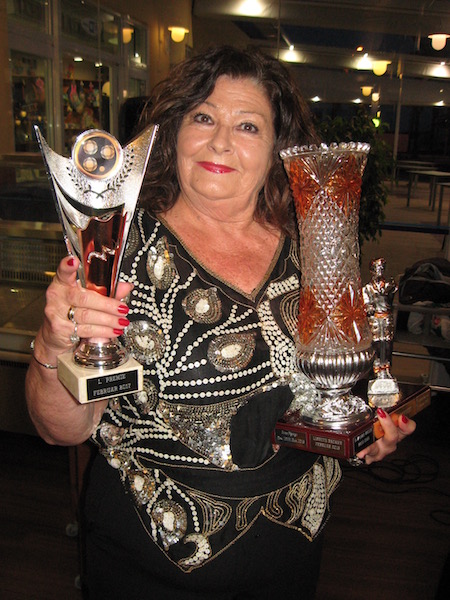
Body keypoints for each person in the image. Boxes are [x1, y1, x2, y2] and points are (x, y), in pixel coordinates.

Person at [26, 46, 415, 600]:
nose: (221, 142)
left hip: (293, 549)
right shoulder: (117, 250)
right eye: (203, 117)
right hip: (151, 564)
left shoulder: (311, 249)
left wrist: (365, 431)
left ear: (277, 148)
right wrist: (52, 343)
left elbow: (335, 393)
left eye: (248, 126)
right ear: (173, 134)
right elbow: (60, 430)